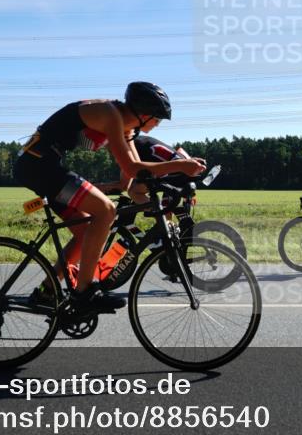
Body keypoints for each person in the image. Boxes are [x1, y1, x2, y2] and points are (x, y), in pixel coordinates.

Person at [13, 83, 204, 313]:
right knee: (106, 211)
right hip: (38, 165)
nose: (157, 124)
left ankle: (46, 291)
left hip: (43, 165)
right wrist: (181, 165)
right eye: (157, 119)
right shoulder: (110, 115)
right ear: (143, 114)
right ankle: (84, 292)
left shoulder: (126, 128)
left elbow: (136, 172)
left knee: (86, 232)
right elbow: (132, 167)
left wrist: (162, 184)